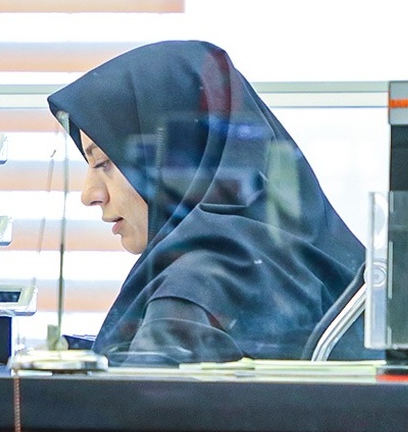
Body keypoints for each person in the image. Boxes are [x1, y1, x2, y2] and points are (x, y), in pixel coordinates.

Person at [46, 39, 366, 366]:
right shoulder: (272, 258)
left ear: (170, 160)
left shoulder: (197, 286)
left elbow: (140, 396)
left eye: (104, 163)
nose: (90, 194)